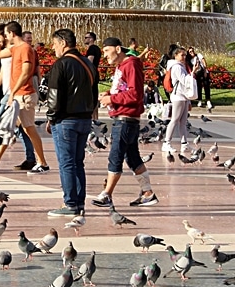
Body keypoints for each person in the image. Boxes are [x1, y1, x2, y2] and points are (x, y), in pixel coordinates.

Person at [92, 37, 158, 208]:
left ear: (118, 49)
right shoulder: (122, 67)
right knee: (132, 157)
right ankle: (148, 193)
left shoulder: (131, 64)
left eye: (107, 51)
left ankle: (107, 194)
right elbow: (123, 89)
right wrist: (107, 94)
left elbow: (135, 94)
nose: (104, 55)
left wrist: (111, 99)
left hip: (126, 120)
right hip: (124, 118)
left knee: (116, 156)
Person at [0, 21, 49, 173]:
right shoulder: (14, 48)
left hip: (24, 95)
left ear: (12, 33)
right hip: (18, 95)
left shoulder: (25, 48)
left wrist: (13, 92)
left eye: (6, 34)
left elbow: (26, 72)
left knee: (28, 129)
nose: (5, 37)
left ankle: (42, 163)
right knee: (9, 128)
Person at [45, 28, 95, 217]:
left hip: (65, 120)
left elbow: (54, 95)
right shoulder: (87, 64)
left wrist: (51, 117)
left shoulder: (62, 64)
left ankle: (70, 203)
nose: (53, 47)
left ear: (63, 43)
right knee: (78, 162)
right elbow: (94, 92)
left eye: (55, 43)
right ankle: (79, 203)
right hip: (84, 119)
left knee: (66, 163)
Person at [162, 47, 191, 152]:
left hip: (183, 96)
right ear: (176, 55)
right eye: (182, 55)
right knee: (174, 119)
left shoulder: (180, 66)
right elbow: (184, 80)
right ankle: (166, 142)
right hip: (178, 96)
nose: (184, 57)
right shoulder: (177, 67)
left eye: (185, 55)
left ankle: (184, 143)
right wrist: (192, 74)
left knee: (183, 121)